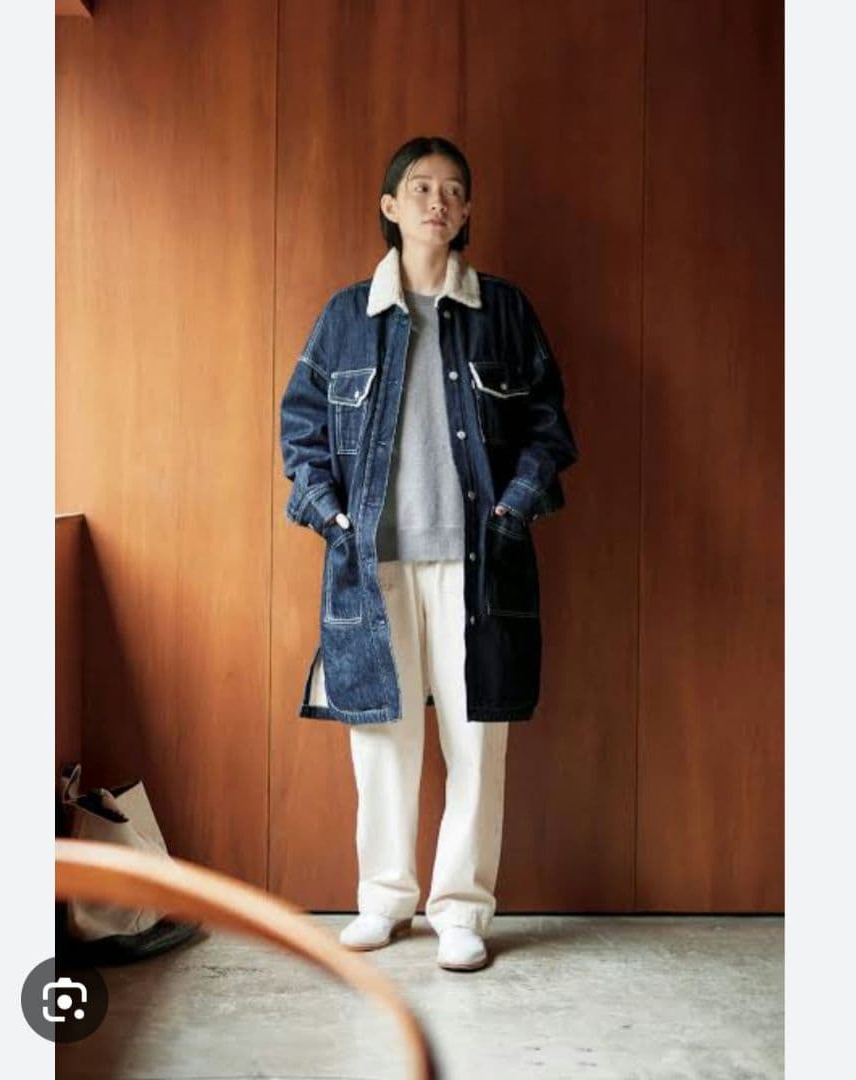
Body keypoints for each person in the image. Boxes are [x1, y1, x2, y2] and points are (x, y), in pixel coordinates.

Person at [280, 136, 578, 971]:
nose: (436, 202)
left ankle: (461, 910)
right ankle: (384, 899)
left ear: (468, 210)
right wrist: (332, 517)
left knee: (478, 739)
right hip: (370, 562)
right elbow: (300, 430)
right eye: (419, 187)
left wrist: (514, 507)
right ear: (390, 206)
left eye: (452, 190)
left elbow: (550, 427)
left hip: (480, 561)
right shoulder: (347, 316)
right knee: (381, 737)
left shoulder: (503, 311)